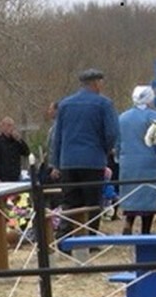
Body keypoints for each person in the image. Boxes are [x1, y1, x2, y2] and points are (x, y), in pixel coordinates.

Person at [51, 68, 120, 237]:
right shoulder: (104, 104)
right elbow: (111, 133)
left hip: (68, 161)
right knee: (93, 203)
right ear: (96, 83)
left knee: (70, 201)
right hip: (93, 160)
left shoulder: (65, 104)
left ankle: (65, 236)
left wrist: (56, 162)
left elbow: (57, 136)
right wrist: (104, 150)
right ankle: (89, 238)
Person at [118, 86, 156, 235]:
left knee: (131, 195)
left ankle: (128, 222)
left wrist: (119, 158)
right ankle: (145, 231)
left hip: (128, 162)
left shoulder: (122, 117)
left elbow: (117, 142)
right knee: (148, 198)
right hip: (150, 163)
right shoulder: (154, 117)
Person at [0, 117, 29, 182]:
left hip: (16, 176)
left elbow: (26, 152)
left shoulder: (16, 142)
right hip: (3, 177)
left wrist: (19, 140)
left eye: (12, 126)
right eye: (9, 125)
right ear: (3, 127)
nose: (11, 128)